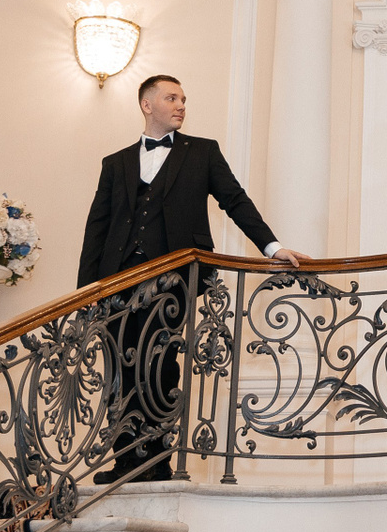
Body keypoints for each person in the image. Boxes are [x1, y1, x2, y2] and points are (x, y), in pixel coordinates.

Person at [78, 73, 308, 482]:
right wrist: (85, 292)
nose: (181, 105)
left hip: (173, 279)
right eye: (171, 98)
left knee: (162, 365)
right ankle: (125, 460)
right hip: (118, 280)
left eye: (183, 99)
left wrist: (272, 247)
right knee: (119, 369)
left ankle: (157, 461)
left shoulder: (202, 152)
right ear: (147, 104)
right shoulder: (115, 162)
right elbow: (97, 225)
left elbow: (235, 200)